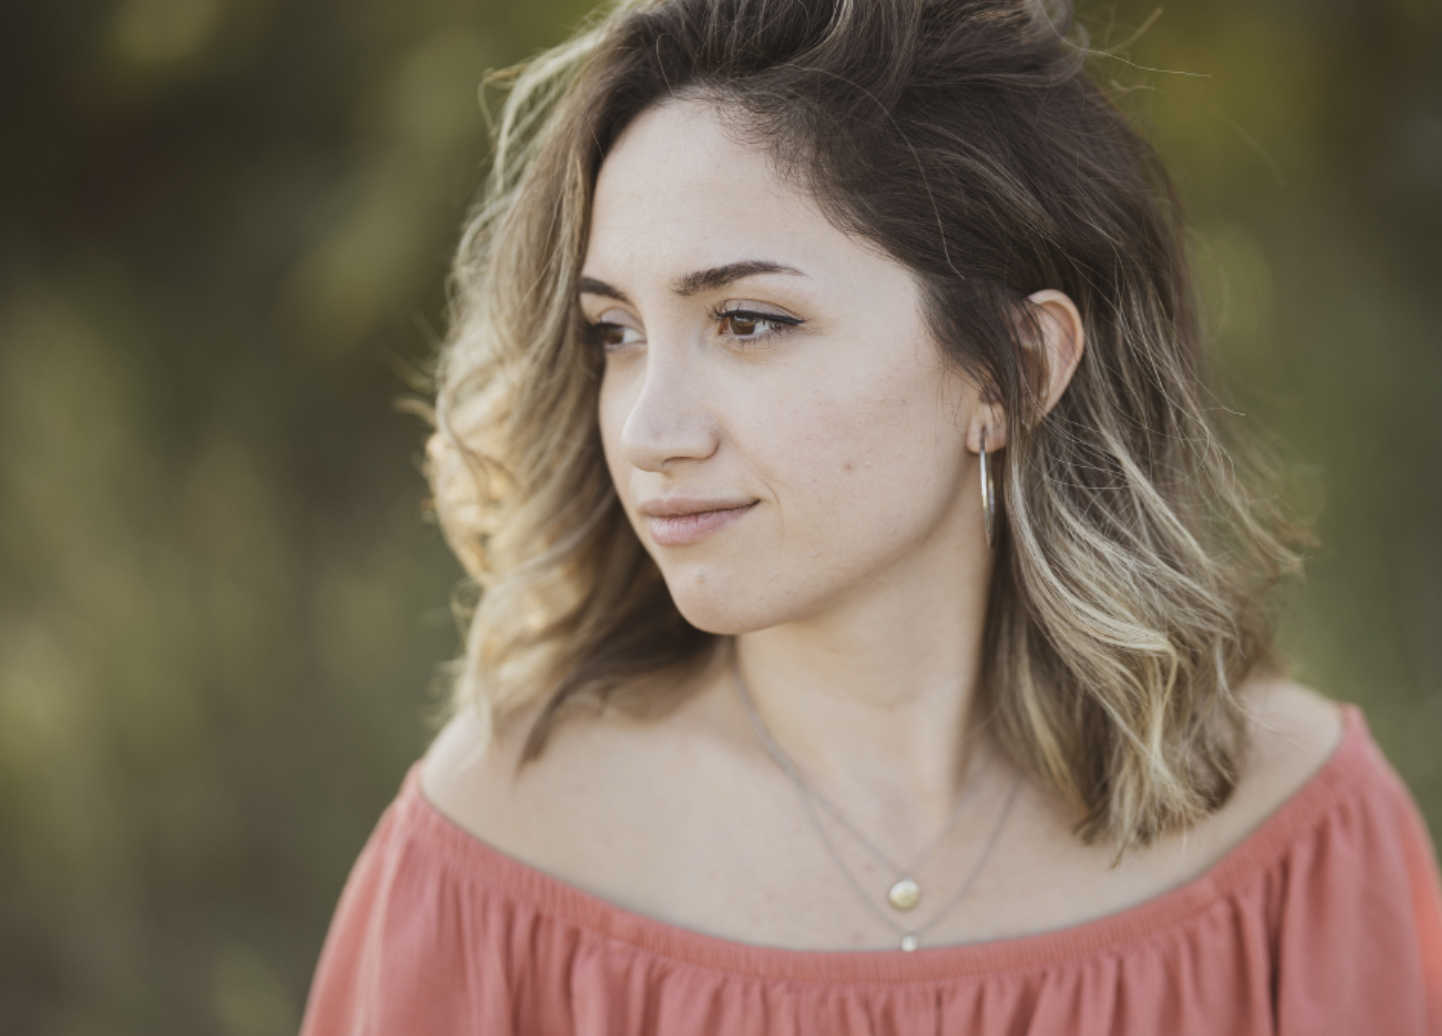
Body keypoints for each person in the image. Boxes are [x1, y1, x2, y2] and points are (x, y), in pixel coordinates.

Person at [299, 0, 1442, 1032]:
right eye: (614, 333)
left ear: (1011, 372)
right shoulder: (498, 850)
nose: (648, 428)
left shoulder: (1295, 838)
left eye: (746, 321)